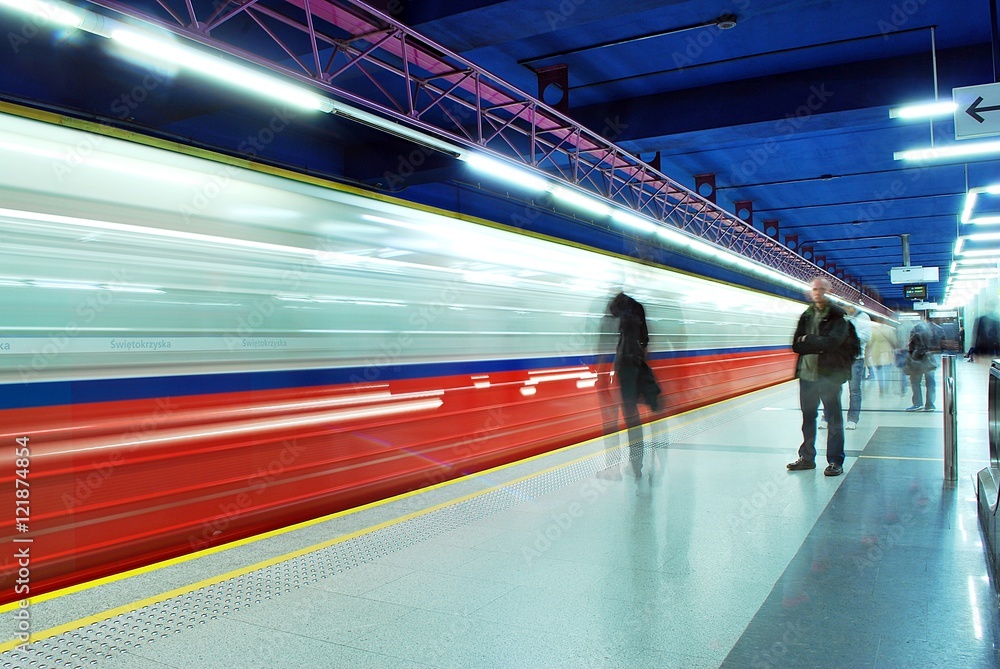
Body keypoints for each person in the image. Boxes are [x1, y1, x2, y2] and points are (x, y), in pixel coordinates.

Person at [787, 277, 853, 477]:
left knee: (833, 419)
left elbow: (833, 343)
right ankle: (807, 457)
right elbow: (796, 345)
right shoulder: (805, 316)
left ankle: (835, 461)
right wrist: (816, 343)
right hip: (807, 376)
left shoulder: (837, 317)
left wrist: (809, 340)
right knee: (808, 418)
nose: (817, 293)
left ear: (828, 291)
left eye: (821, 289)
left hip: (829, 376)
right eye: (814, 289)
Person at [607, 292, 660, 479]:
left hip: (625, 367)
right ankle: (641, 460)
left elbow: (612, 312)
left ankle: (635, 463)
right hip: (637, 364)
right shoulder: (638, 309)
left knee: (630, 417)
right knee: (640, 416)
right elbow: (645, 340)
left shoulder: (622, 311)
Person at [821, 304, 871, 430]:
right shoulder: (837, 317)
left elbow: (866, 337)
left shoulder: (863, 317)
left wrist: (845, 338)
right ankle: (827, 417)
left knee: (854, 390)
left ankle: (852, 419)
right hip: (838, 358)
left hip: (856, 359)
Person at [904, 318, 939, 412]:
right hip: (929, 359)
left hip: (917, 361)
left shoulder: (915, 332)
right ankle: (930, 405)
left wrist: (912, 356)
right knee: (931, 384)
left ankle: (917, 404)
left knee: (915, 382)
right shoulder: (932, 332)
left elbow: (913, 347)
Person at [867, 322, 898, 397]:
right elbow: (894, 341)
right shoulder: (889, 330)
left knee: (879, 372)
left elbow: (870, 342)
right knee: (887, 371)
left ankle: (881, 389)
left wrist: (868, 351)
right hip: (887, 351)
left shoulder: (874, 330)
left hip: (876, 352)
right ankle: (886, 388)